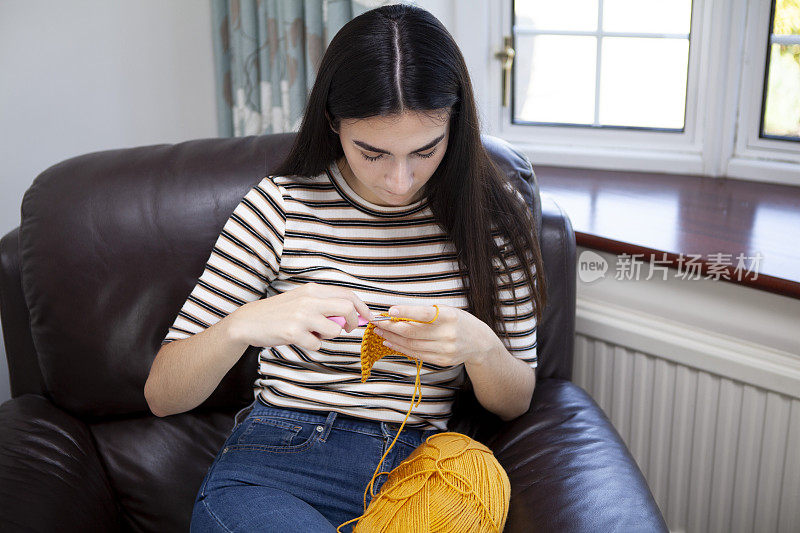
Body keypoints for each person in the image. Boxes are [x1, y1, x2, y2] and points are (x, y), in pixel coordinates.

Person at [144, 4, 547, 532]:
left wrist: (479, 347)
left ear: (456, 122)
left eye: (426, 150)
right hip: (276, 463)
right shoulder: (279, 207)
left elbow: (515, 402)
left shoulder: (494, 218)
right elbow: (162, 395)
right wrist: (243, 325)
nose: (400, 181)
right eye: (372, 153)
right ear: (334, 123)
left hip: (419, 471)